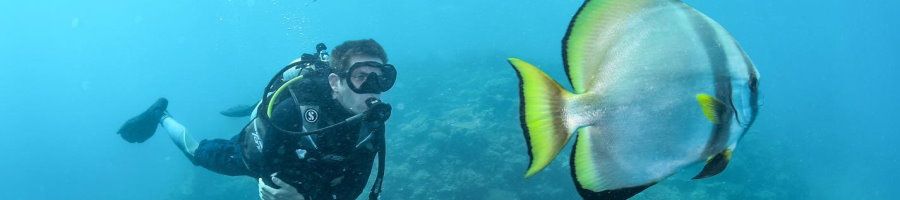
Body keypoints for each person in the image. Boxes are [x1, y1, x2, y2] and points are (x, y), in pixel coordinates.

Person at [117, 39, 397, 200]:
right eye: (361, 77)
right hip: (256, 152)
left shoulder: (371, 124)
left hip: (310, 169)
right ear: (335, 82)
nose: (374, 87)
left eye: (381, 78)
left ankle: (258, 105)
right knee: (198, 153)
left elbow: (353, 189)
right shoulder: (293, 112)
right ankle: (160, 114)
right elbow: (270, 180)